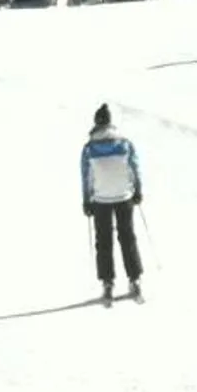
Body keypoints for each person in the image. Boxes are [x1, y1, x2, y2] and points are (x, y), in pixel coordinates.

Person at [80, 104, 143, 304]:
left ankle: (107, 282)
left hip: (101, 199)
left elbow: (86, 176)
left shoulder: (89, 148)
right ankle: (135, 279)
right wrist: (138, 190)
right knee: (127, 238)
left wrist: (87, 200)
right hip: (124, 197)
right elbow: (134, 168)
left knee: (104, 241)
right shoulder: (125, 143)